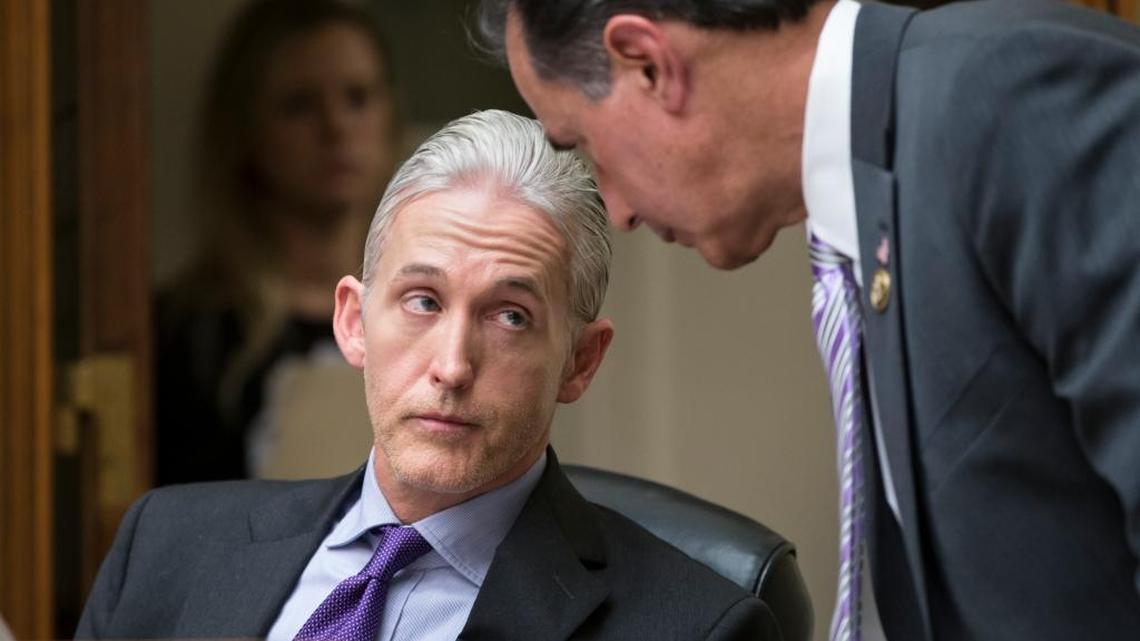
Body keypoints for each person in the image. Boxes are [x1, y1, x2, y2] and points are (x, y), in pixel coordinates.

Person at [477, 0, 1140, 640]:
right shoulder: (880, 179)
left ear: (648, 64)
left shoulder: (1012, 92)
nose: (617, 212)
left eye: (584, 145)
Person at [78, 110, 780, 641]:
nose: (451, 366)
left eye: (510, 316)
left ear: (580, 360)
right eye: (422, 301)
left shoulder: (696, 627)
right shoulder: (166, 548)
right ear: (353, 321)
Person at [155, 0, 400, 485]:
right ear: (247, 130)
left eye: (357, 98)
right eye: (299, 105)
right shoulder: (187, 334)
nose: (336, 128)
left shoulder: (430, 313)